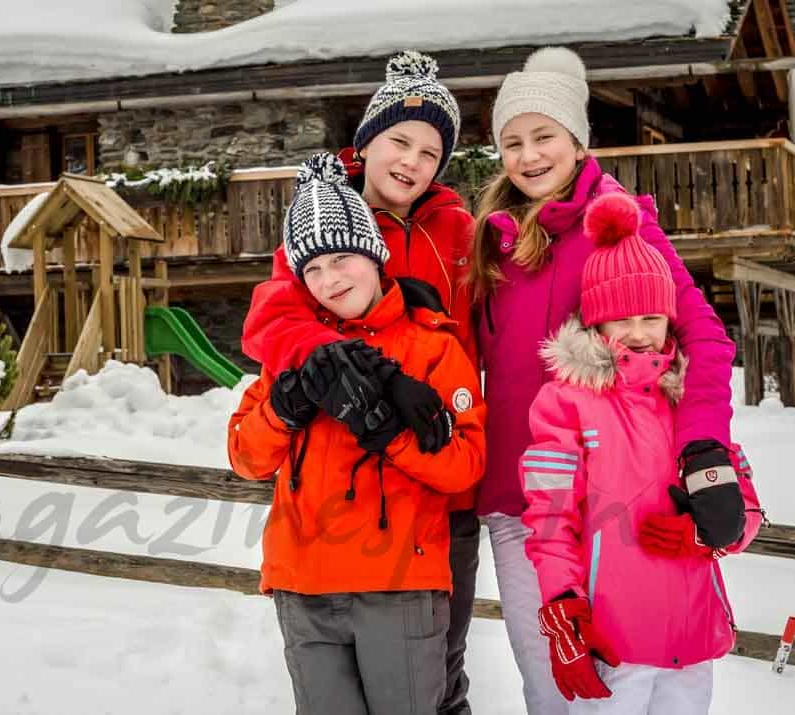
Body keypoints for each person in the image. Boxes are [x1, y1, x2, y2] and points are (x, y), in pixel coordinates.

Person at [469, 46, 744, 715]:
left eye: (545, 138)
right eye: (512, 143)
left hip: (606, 503)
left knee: (613, 686)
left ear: (576, 140)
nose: (530, 156)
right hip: (517, 500)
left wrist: (702, 451)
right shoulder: (492, 241)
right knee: (550, 686)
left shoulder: (618, 223)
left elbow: (702, 336)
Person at [240, 50, 482, 715]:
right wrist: (361, 371)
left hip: (437, 477)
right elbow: (273, 315)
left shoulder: (458, 230)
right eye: (398, 141)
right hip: (337, 507)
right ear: (366, 141)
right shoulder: (324, 221)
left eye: (430, 152)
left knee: (440, 670)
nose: (411, 161)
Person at [518, 191, 763, 714]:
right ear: (596, 322)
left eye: (652, 318)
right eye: (622, 319)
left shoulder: (691, 401)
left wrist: (711, 530)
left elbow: (744, 504)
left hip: (691, 637)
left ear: (670, 320)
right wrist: (562, 604)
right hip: (613, 642)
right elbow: (549, 518)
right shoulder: (566, 402)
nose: (638, 334)